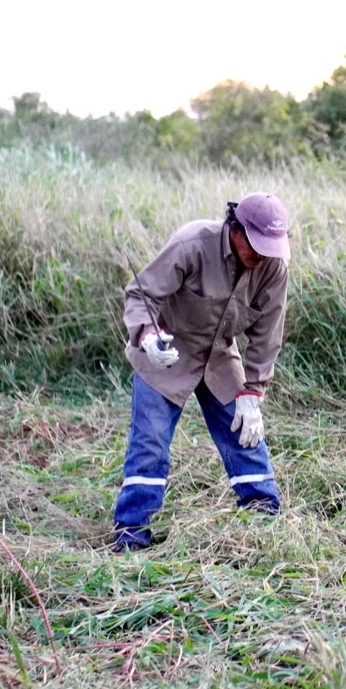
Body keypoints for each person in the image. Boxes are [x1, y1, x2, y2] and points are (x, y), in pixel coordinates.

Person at [111, 193, 291, 552]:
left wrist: (253, 393)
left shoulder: (273, 266)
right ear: (234, 229)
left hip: (220, 356)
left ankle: (263, 520)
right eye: (255, 245)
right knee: (150, 441)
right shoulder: (191, 243)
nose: (261, 256)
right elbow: (140, 294)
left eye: (270, 248)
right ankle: (131, 533)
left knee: (245, 433)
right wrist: (147, 336)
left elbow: (268, 336)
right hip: (165, 352)